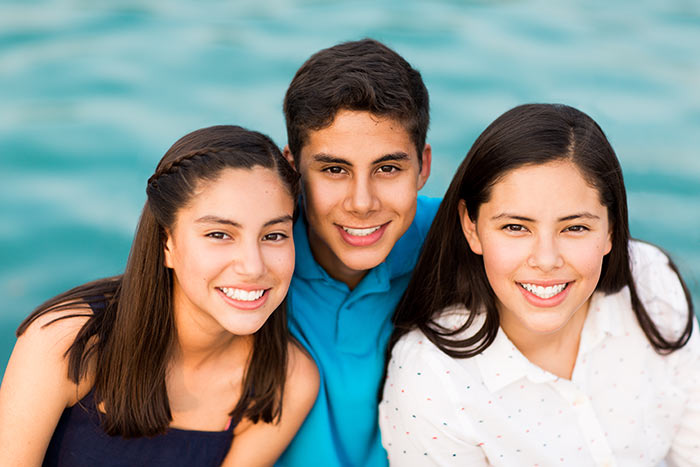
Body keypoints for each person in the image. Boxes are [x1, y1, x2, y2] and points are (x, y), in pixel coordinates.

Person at [380, 103, 699, 466]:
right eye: (515, 227)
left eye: (575, 227)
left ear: (611, 228)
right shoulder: (433, 379)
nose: (546, 260)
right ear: (472, 227)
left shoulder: (652, 282)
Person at [0, 125, 319, 466]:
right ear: (167, 242)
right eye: (219, 234)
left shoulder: (286, 380)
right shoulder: (66, 343)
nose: (253, 267)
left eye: (273, 235)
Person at [277, 38, 440, 466]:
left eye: (388, 168)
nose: (362, 202)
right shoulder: (254, 257)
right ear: (292, 168)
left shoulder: (460, 242)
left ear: (422, 166)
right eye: (334, 169)